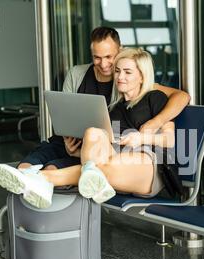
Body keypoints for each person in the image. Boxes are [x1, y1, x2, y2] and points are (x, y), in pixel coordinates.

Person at [0, 48, 178, 209]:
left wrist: (141, 138)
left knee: (102, 168)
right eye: (118, 71)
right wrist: (76, 152)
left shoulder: (155, 97)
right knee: (92, 133)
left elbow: (170, 139)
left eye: (128, 72)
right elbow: (96, 152)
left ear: (142, 76)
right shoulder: (114, 106)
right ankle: (82, 181)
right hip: (113, 161)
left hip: (148, 165)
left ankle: (39, 178)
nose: (120, 77)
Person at [19, 26, 190, 171]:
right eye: (97, 58)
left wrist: (155, 123)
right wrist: (66, 141)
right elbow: (65, 116)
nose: (104, 64)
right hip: (70, 142)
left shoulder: (127, 81)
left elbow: (182, 96)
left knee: (51, 169)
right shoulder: (77, 74)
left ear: (120, 51)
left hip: (100, 149)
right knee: (25, 166)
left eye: (109, 57)